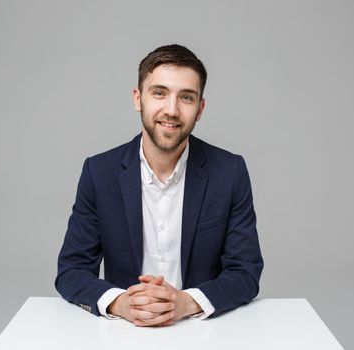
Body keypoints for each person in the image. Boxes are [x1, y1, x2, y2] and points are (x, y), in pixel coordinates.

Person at [55, 44, 263, 327]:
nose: (172, 110)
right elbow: (72, 270)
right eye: (159, 93)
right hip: (122, 332)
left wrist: (187, 303)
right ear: (138, 98)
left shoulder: (230, 172)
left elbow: (246, 272)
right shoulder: (99, 172)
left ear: (200, 109)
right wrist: (121, 303)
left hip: (202, 331)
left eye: (186, 97)